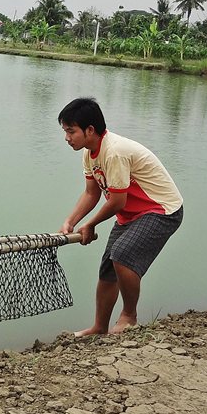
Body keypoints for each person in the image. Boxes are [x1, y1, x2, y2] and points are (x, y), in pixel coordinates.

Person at [57, 97, 183, 336]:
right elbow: (91, 192)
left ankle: (129, 316)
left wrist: (90, 224)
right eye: (65, 131)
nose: (67, 137)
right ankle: (99, 327)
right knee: (108, 268)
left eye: (71, 131)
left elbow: (116, 201)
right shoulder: (90, 153)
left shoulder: (114, 152)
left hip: (161, 210)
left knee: (123, 256)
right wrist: (71, 221)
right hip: (131, 214)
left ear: (90, 130)